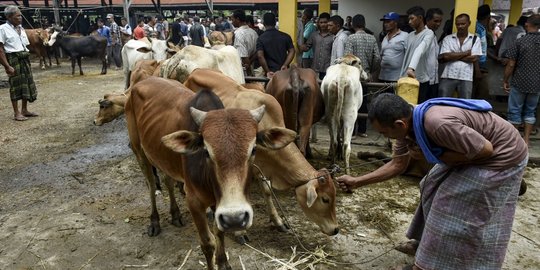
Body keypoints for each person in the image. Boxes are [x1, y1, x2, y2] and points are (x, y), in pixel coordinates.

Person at [337, 93, 528, 270]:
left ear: (399, 124)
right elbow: (397, 164)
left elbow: (486, 150)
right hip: (471, 152)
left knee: (447, 204)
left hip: (502, 157)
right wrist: (357, 181)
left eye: (385, 133)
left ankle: (439, 262)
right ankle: (426, 244)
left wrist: (440, 156)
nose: (386, 137)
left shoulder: (437, 124)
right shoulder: (409, 125)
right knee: (429, 184)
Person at [503, 14, 540, 146]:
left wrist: (505, 80)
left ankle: (514, 142)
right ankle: (526, 140)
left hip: (519, 81)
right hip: (536, 84)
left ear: (527, 24)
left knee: (514, 110)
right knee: (530, 111)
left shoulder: (520, 41)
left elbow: (511, 64)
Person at [344, 14, 381, 139]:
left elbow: (348, 57)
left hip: (352, 77)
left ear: (353, 25)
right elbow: (377, 58)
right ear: (364, 25)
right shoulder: (372, 38)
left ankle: (352, 132)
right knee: (363, 102)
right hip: (366, 77)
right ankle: (362, 130)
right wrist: (370, 71)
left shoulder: (351, 38)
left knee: (351, 103)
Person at [0, 5, 39, 121]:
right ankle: (16, 113)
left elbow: (25, 45)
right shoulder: (2, 29)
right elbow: (0, 49)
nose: (20, 18)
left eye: (20, 16)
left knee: (26, 83)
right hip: (13, 59)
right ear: (9, 17)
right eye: (18, 16)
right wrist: (7, 66)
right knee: (15, 86)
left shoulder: (21, 29)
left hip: (24, 58)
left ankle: (24, 110)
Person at [438, 14, 482, 99]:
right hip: (448, 75)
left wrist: (453, 55)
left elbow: (474, 58)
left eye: (463, 24)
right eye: (458, 24)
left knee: (465, 104)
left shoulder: (475, 39)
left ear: (469, 23)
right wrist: (466, 53)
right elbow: (446, 57)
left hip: (466, 76)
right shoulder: (448, 38)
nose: (460, 26)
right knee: (443, 101)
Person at [400, 6, 435, 104]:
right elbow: (406, 56)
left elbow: (420, 49)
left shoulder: (428, 33)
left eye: (412, 18)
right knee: (404, 108)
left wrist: (411, 68)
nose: (410, 22)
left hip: (420, 80)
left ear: (420, 18)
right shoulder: (410, 35)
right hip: (405, 78)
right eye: (409, 19)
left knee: (417, 109)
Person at [256, 12, 295, 78]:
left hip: (271, 73)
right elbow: (292, 51)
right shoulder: (286, 36)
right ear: (275, 22)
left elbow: (260, 56)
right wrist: (285, 65)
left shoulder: (261, 38)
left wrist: (267, 71)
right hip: (284, 72)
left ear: (263, 23)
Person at [301, 12, 333, 80]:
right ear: (318, 23)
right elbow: (306, 47)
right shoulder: (314, 35)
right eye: (321, 22)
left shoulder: (333, 37)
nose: (323, 24)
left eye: (325, 22)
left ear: (329, 22)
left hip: (328, 69)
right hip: (315, 68)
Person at [378, 12, 408, 83]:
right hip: (383, 76)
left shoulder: (405, 36)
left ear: (396, 23)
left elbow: (409, 55)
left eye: (388, 22)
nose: (385, 24)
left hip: (397, 78)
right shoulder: (385, 38)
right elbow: (381, 56)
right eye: (385, 22)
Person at [231, 9, 258, 76]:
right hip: (252, 66)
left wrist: (248, 70)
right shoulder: (253, 32)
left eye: (232, 20)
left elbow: (243, 56)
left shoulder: (238, 34)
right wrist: (250, 62)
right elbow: (257, 51)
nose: (232, 22)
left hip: (243, 70)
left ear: (237, 19)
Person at [425, 8, 443, 98]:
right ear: (427, 20)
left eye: (440, 21)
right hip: (425, 79)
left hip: (433, 79)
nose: (438, 24)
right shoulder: (423, 34)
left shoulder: (433, 35)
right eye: (435, 21)